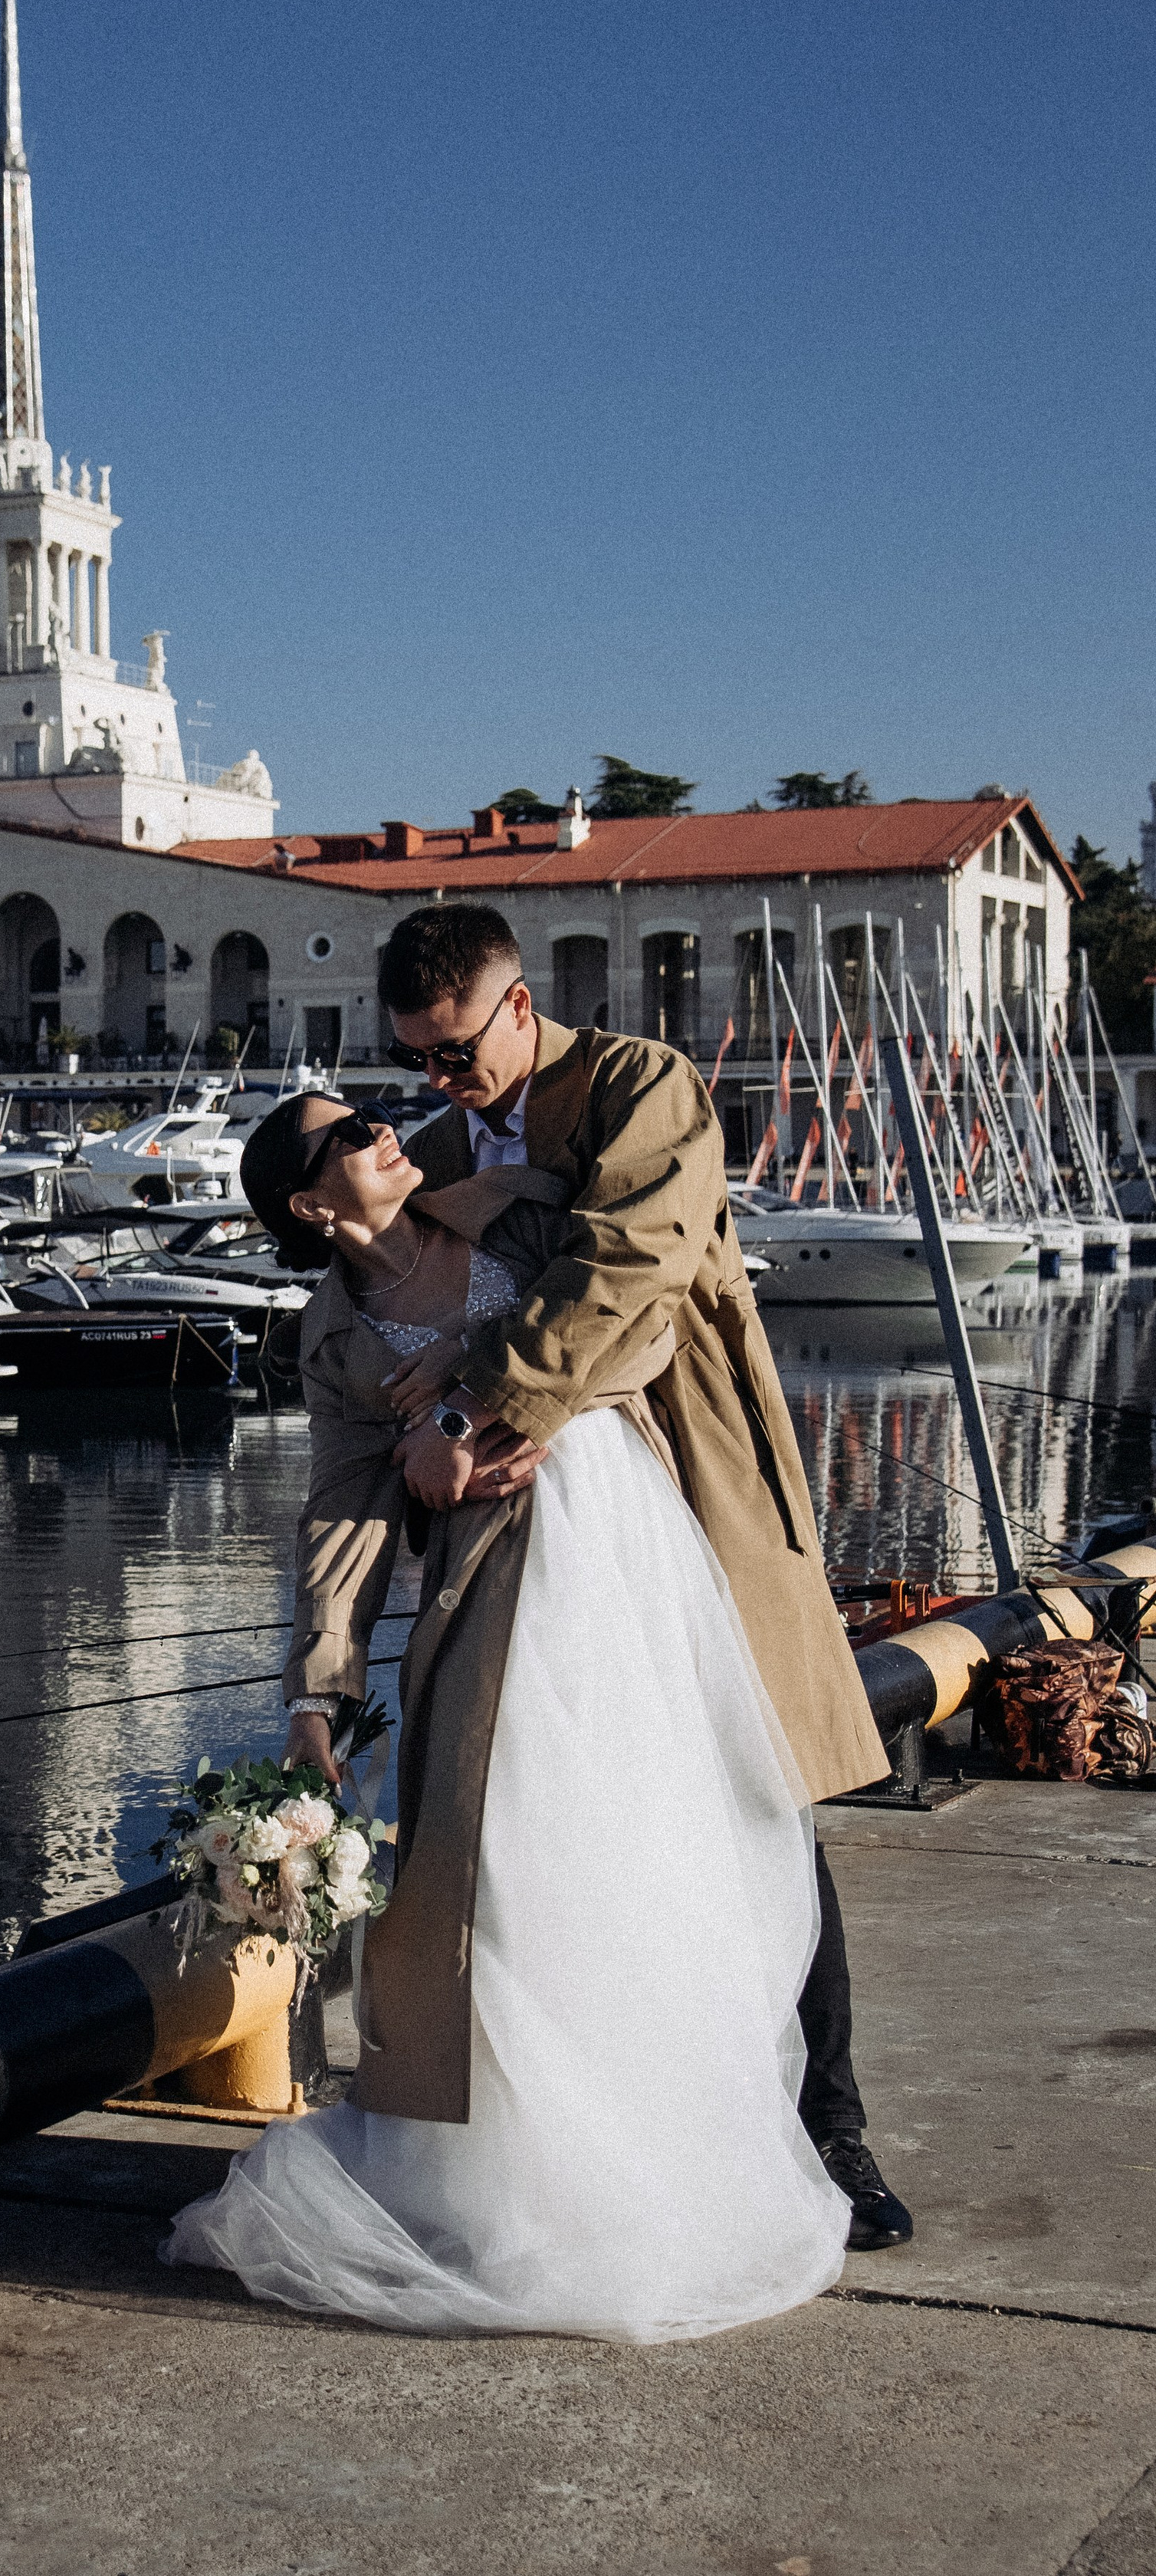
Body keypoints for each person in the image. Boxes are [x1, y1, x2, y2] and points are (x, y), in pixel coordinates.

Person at [163, 1076, 853, 2339]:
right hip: (489, 1594)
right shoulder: (331, 1337)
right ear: (314, 1206)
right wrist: (318, 1700)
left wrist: (482, 1393)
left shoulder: (519, 1214)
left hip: (625, 1557)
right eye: (345, 1135)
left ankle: (667, 2170)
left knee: (645, 1860)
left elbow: (645, 1328)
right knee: (509, 1883)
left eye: (372, 1108)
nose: (383, 1127)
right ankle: (514, 2193)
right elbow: (343, 1516)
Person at [370, 901, 908, 2252]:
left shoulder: (639, 1086)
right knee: (579, 1831)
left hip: (691, 1480)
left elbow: (633, 1267)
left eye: (454, 1052)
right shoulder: (432, 1149)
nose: (441, 1083)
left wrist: (468, 1409)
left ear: (516, 1003)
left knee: (757, 1782)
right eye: (417, 1061)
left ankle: (832, 2127)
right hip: (537, 1539)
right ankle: (628, 2132)